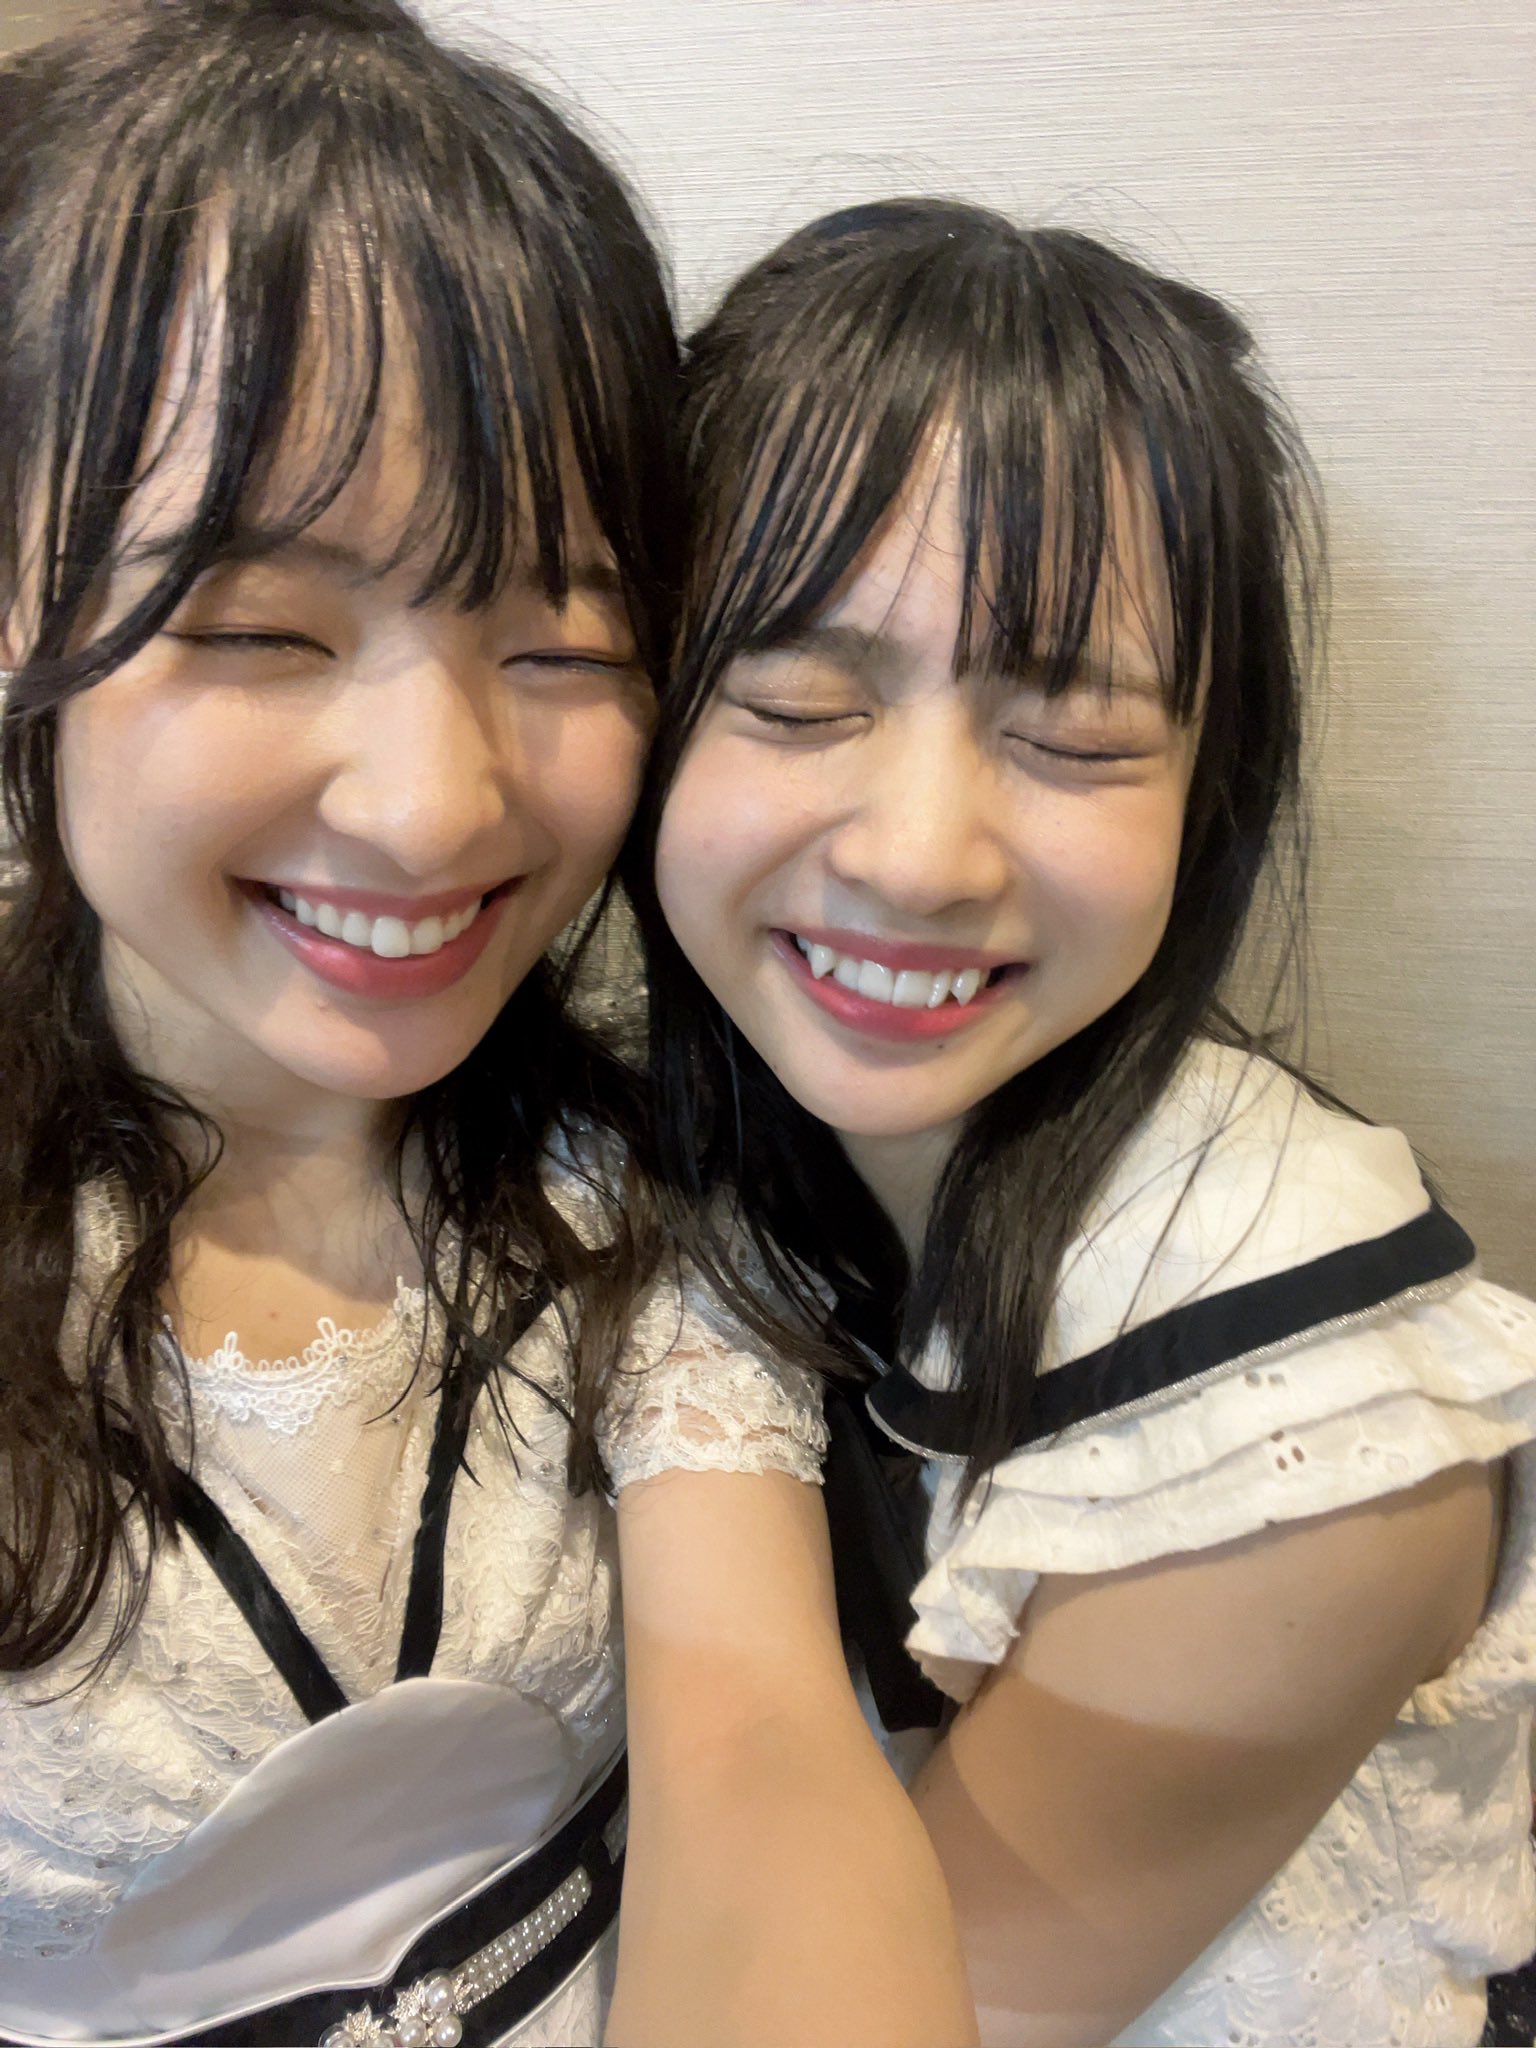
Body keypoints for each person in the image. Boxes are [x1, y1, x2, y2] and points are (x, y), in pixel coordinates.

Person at [0, 15, 974, 2046]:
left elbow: (765, 1760)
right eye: (261, 629)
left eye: (562, 641)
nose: (437, 805)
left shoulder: (643, 1212)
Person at [635, 196, 1536, 2046]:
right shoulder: (704, 1137)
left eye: (1075, 742)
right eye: (797, 699)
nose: (917, 856)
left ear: (1210, 798)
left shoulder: (1299, 1431)